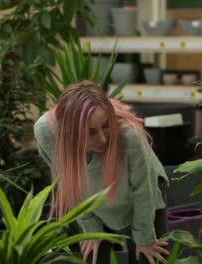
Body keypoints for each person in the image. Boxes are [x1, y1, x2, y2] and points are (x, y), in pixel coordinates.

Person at [33, 80, 170, 264]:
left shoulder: (129, 137)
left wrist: (144, 239)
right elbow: (69, 183)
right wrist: (90, 226)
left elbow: (143, 191)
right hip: (92, 201)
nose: (103, 139)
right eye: (91, 132)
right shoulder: (47, 133)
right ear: (69, 131)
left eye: (106, 126)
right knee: (94, 256)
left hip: (143, 199)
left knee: (149, 257)